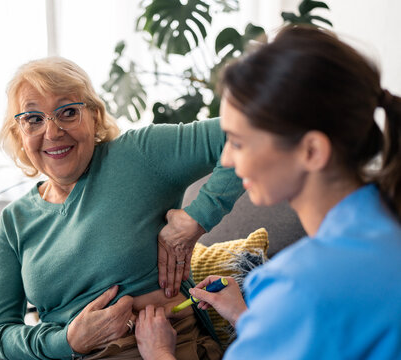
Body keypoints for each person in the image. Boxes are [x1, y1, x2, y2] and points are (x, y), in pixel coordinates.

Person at [135, 25, 401, 359]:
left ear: (311, 151)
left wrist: (159, 352)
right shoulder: (385, 227)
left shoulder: (298, 287)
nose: (227, 158)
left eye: (238, 142)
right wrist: (248, 317)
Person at [0, 57, 243, 359]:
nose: (52, 133)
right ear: (18, 134)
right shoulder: (14, 222)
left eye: (68, 112)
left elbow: (245, 133)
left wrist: (196, 218)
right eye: (33, 119)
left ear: (94, 116)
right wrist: (68, 340)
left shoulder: (137, 156)